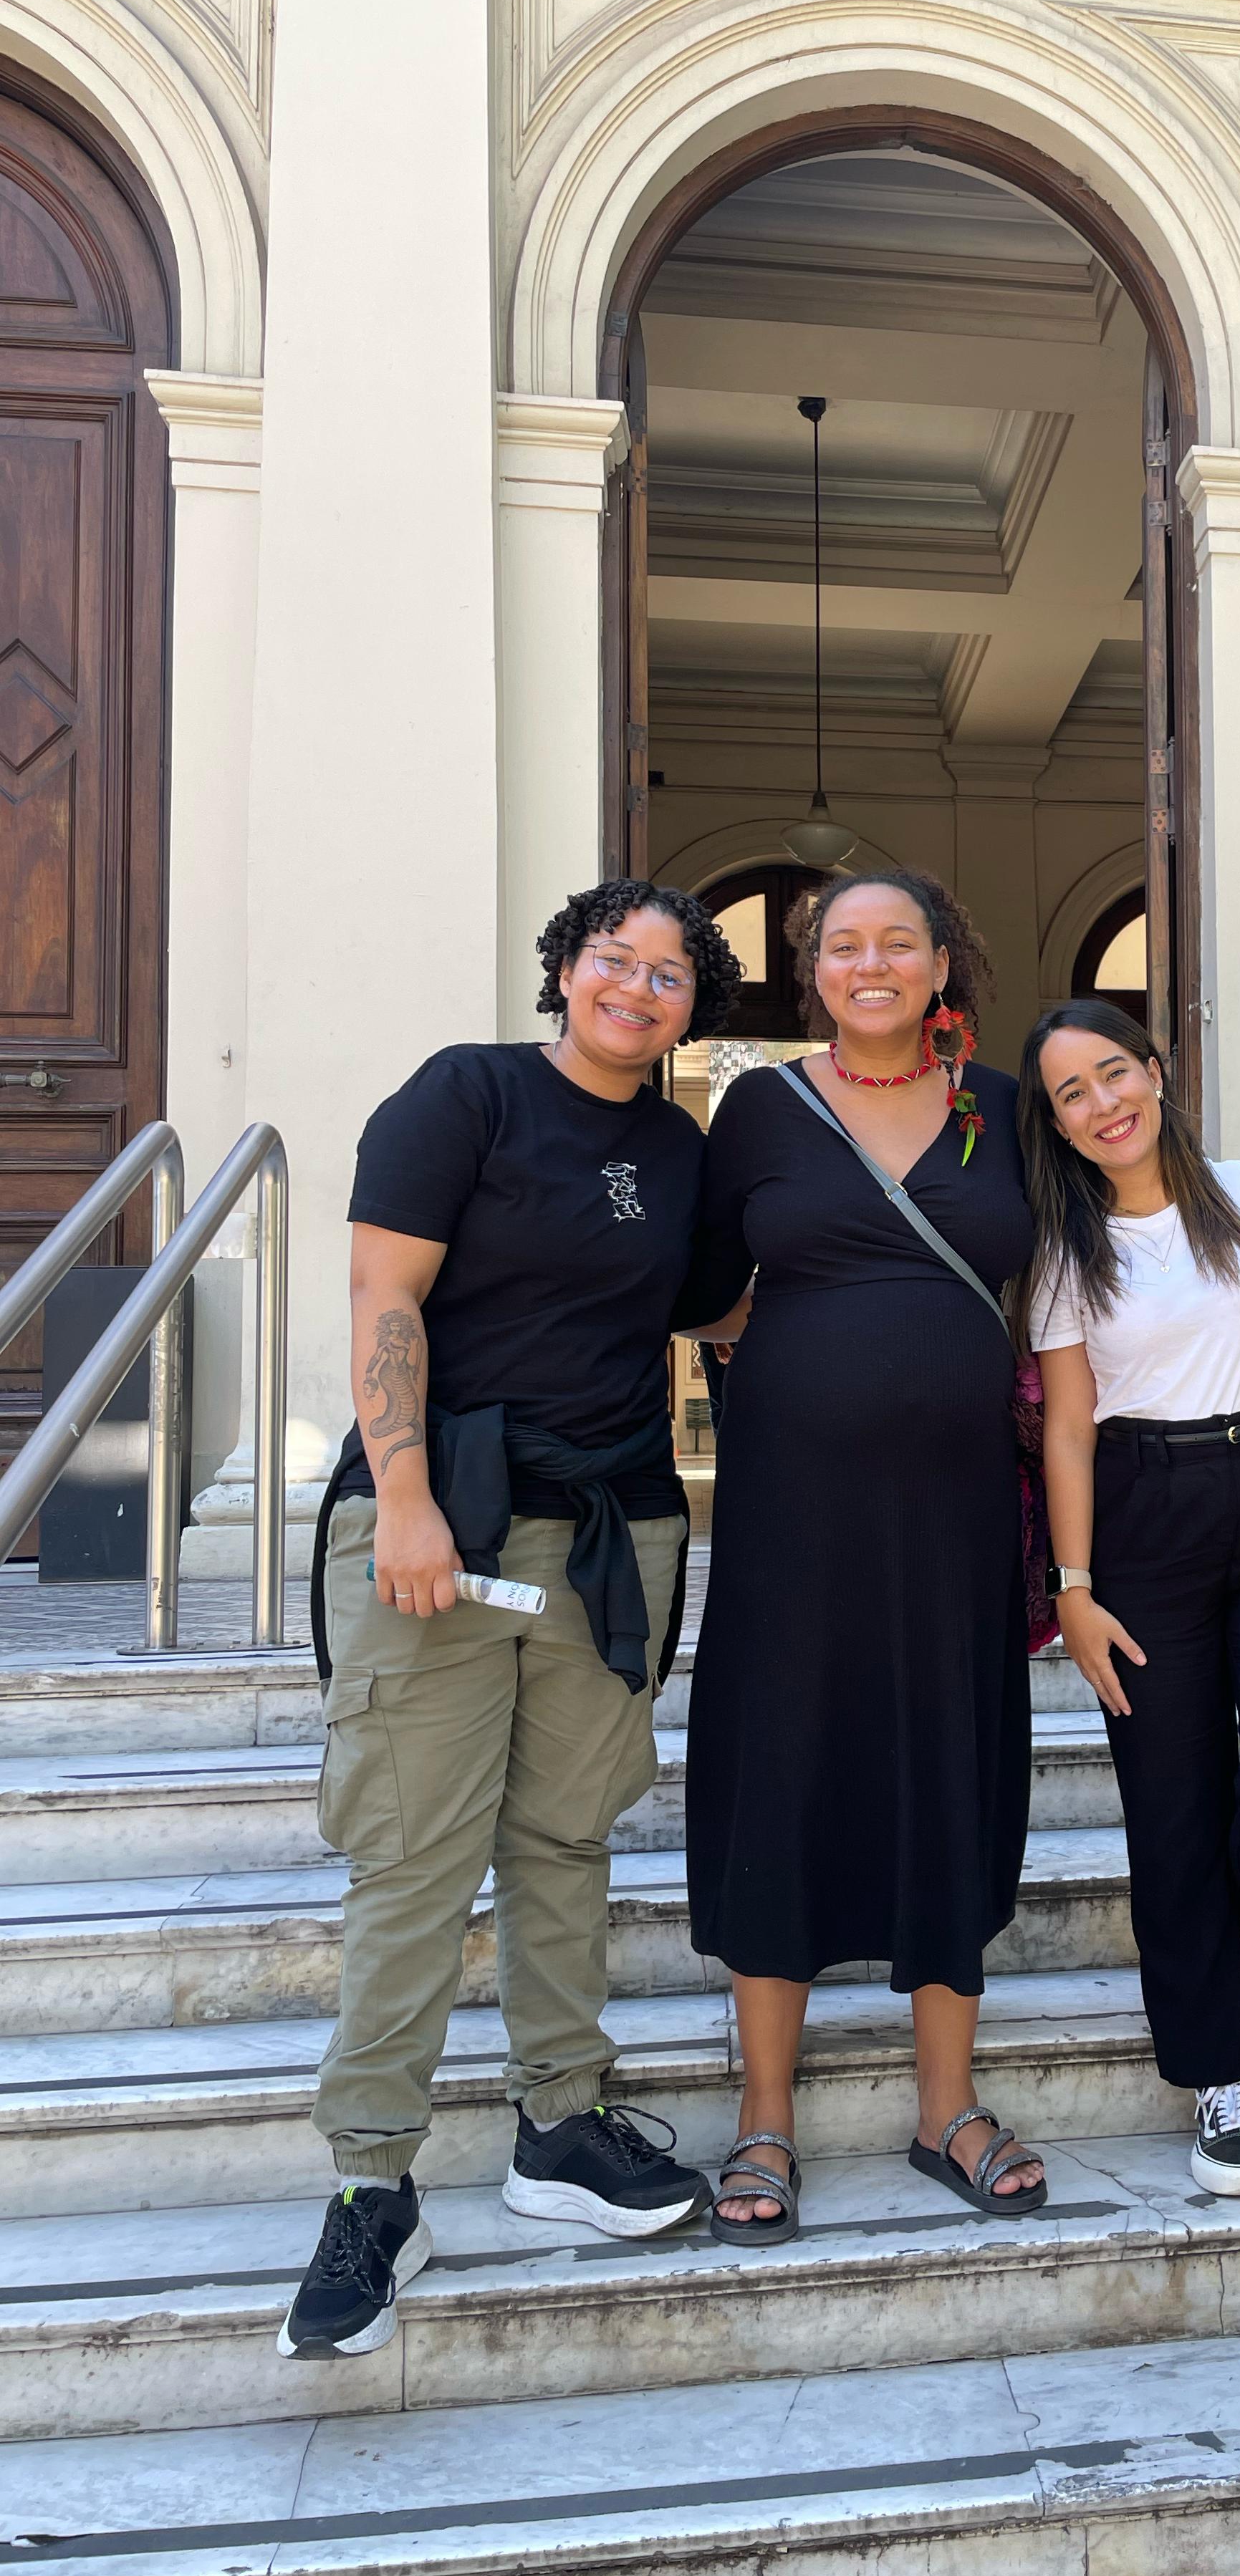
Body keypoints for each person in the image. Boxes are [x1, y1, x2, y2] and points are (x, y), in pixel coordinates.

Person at [280, 879, 741, 2362]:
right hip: (442, 1525)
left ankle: (563, 2122)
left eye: (673, 973)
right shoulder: (466, 1097)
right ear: (565, 969)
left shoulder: (680, 1152)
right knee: (414, 1855)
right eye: (618, 959)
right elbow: (382, 1291)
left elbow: (723, 1309)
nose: (641, 986)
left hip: (609, 1535)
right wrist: (403, 1494)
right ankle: (372, 2179)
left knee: (564, 1838)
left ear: (693, 1008)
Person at [684, 868, 1045, 2244]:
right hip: (791, 1509)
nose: (874, 961)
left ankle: (945, 2105)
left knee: (949, 1766)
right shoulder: (760, 1109)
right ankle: (763, 2120)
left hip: (958, 1510)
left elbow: (1080, 1266)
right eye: (845, 944)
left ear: (944, 965)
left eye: (902, 941)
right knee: (779, 1766)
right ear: (810, 971)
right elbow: (704, 1279)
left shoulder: (1005, 1109)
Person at [1021, 1000, 1240, 2198]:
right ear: (1056, 1124)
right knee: (1170, 1809)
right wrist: (1074, 1589)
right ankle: (1216, 2072)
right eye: (1073, 1093)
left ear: (1156, 1073)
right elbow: (1067, 1430)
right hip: (1144, 1514)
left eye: (1115, 1073)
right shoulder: (1066, 1246)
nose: (1103, 1103)